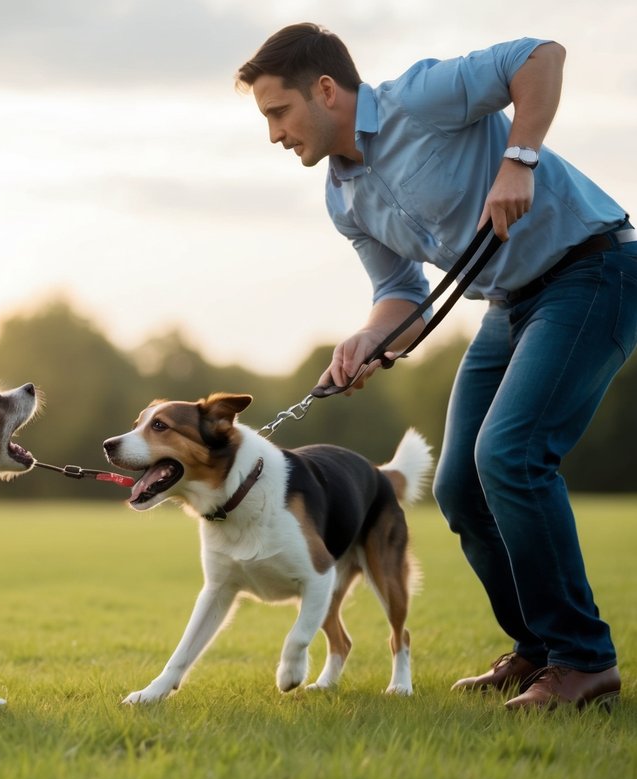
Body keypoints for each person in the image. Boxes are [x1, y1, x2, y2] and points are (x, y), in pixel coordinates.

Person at [236, 23, 635, 711]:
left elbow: (540, 57)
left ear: (325, 90)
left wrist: (519, 156)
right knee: (457, 486)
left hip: (591, 269)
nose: (274, 133)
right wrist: (366, 341)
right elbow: (401, 297)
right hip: (509, 304)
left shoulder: (415, 99)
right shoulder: (343, 198)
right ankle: (538, 653)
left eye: (278, 112)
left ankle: (583, 660)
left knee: (508, 456)